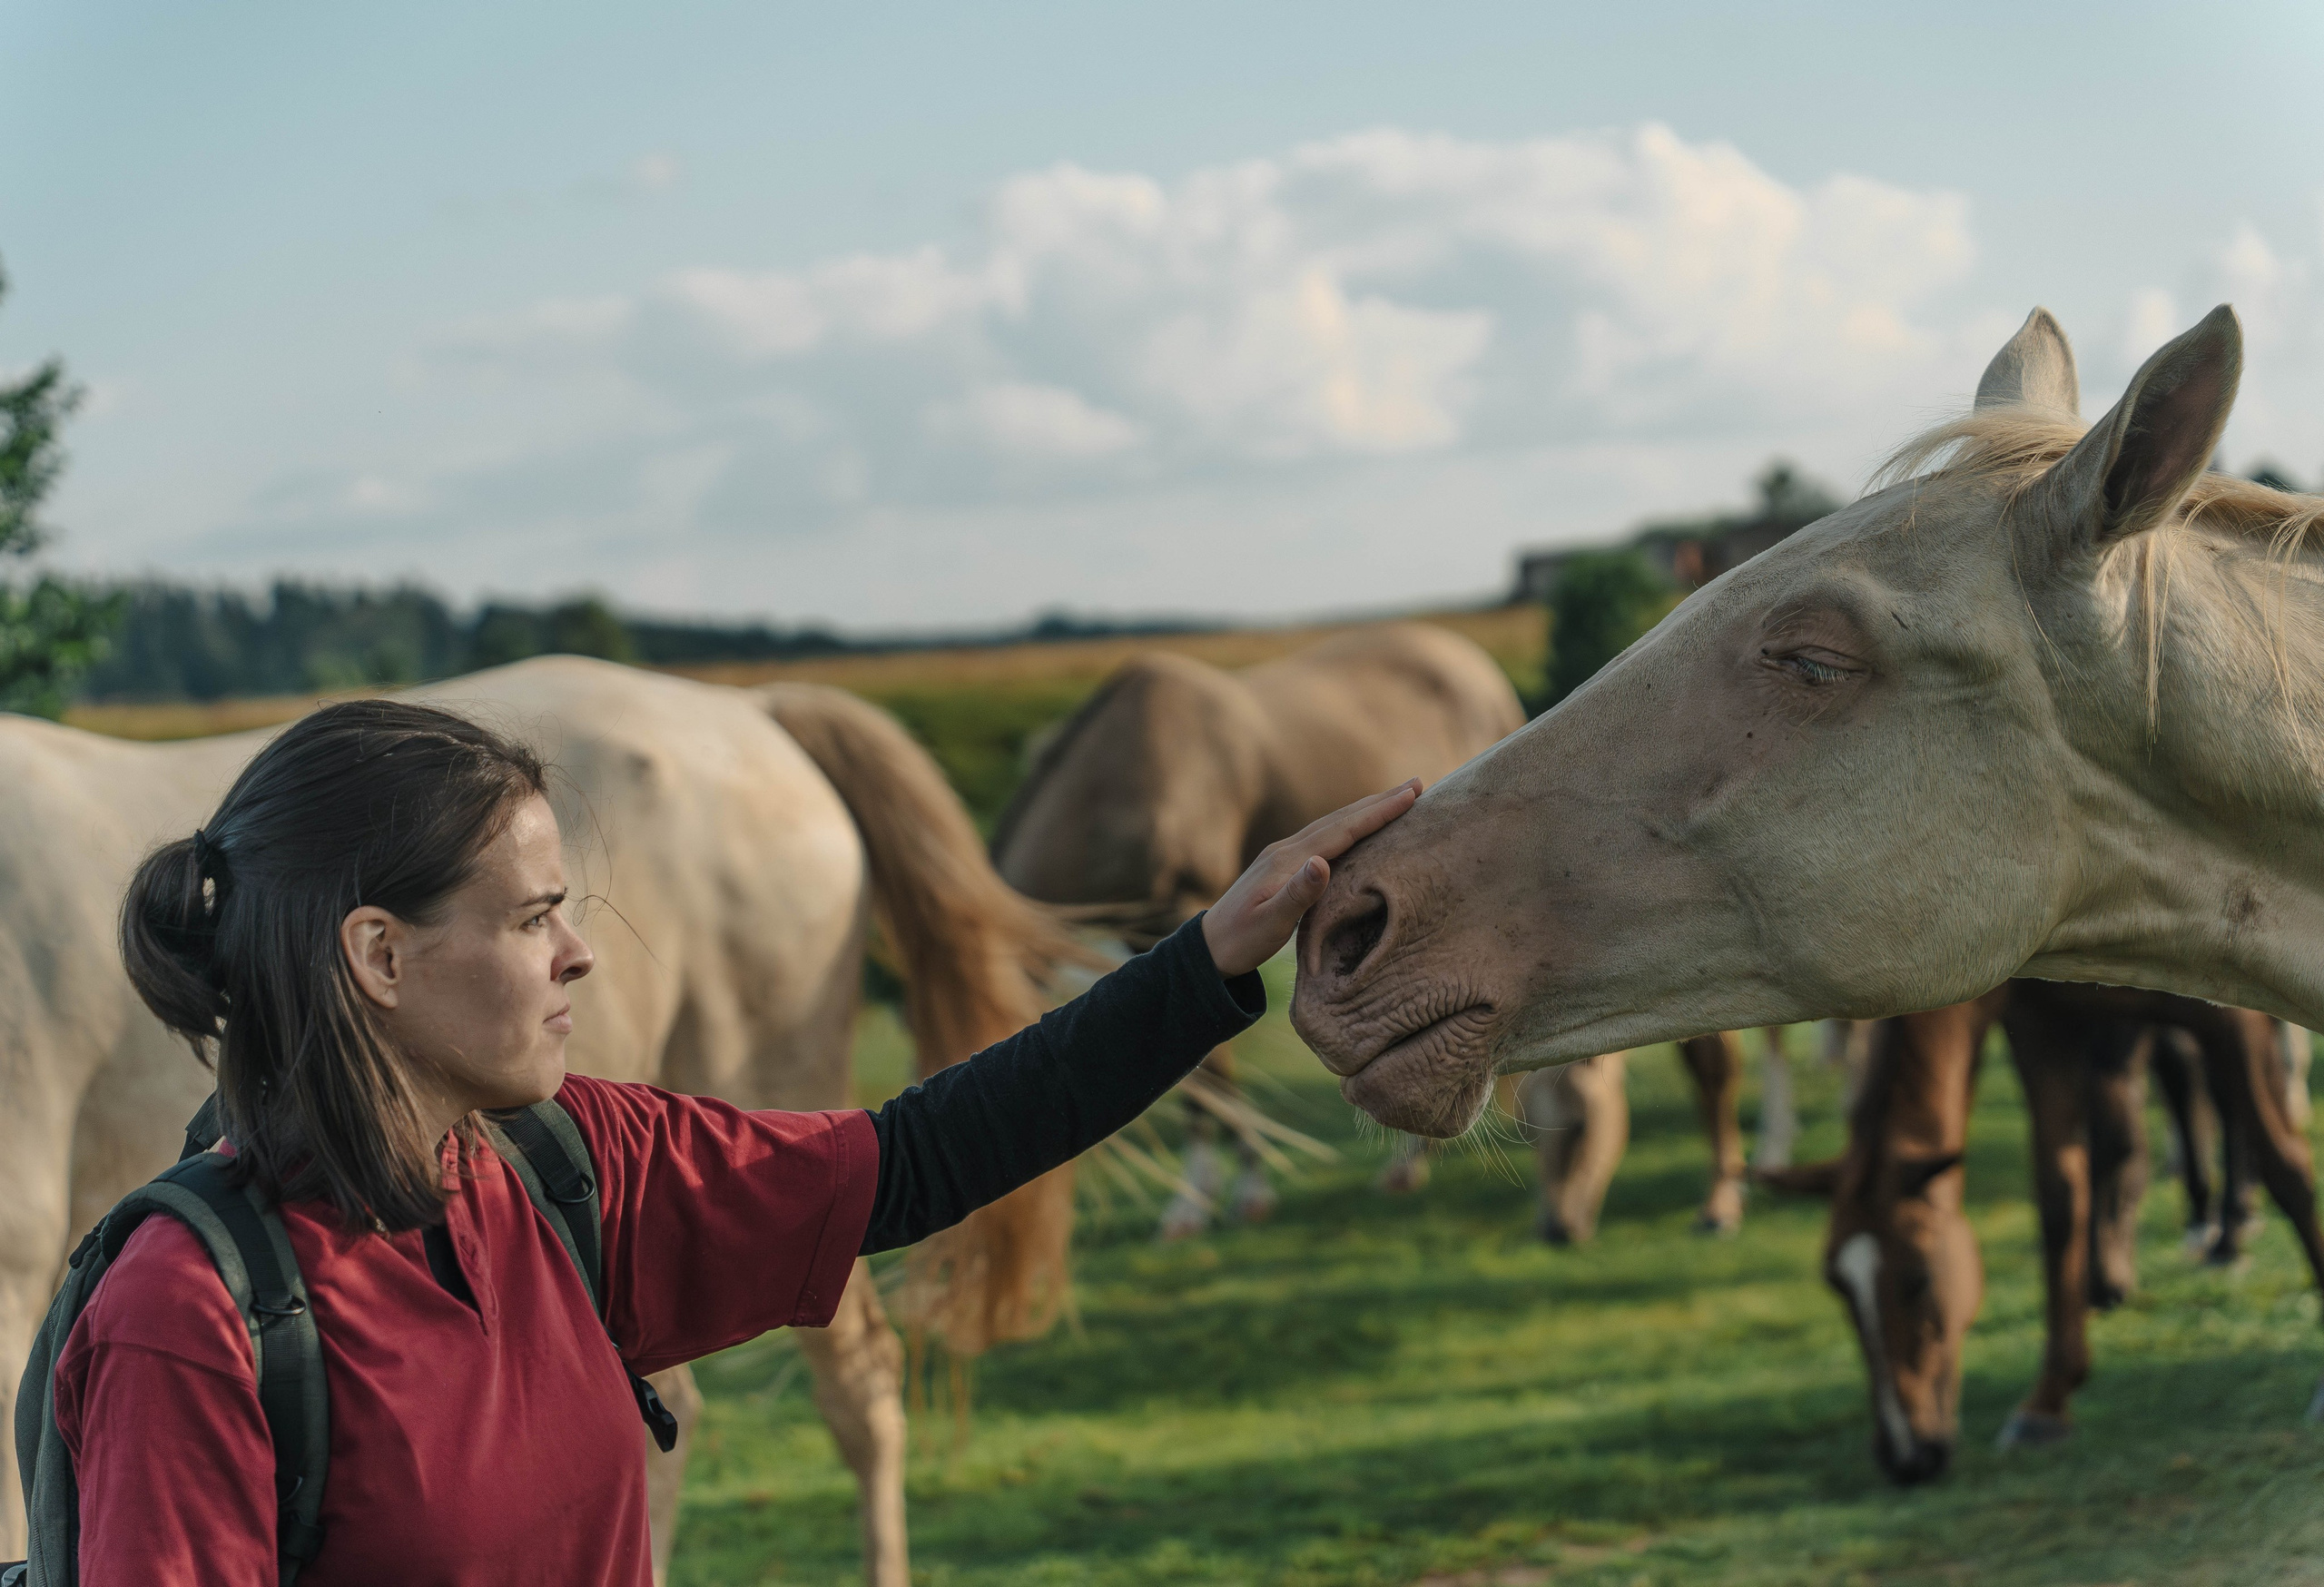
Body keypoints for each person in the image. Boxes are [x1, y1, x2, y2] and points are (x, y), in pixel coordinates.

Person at [62, 699, 1418, 1584]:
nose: (579, 954)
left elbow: (915, 1160)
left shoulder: (569, 1170)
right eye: (532, 918)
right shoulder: (189, 1320)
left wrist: (1205, 958)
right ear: (379, 956)